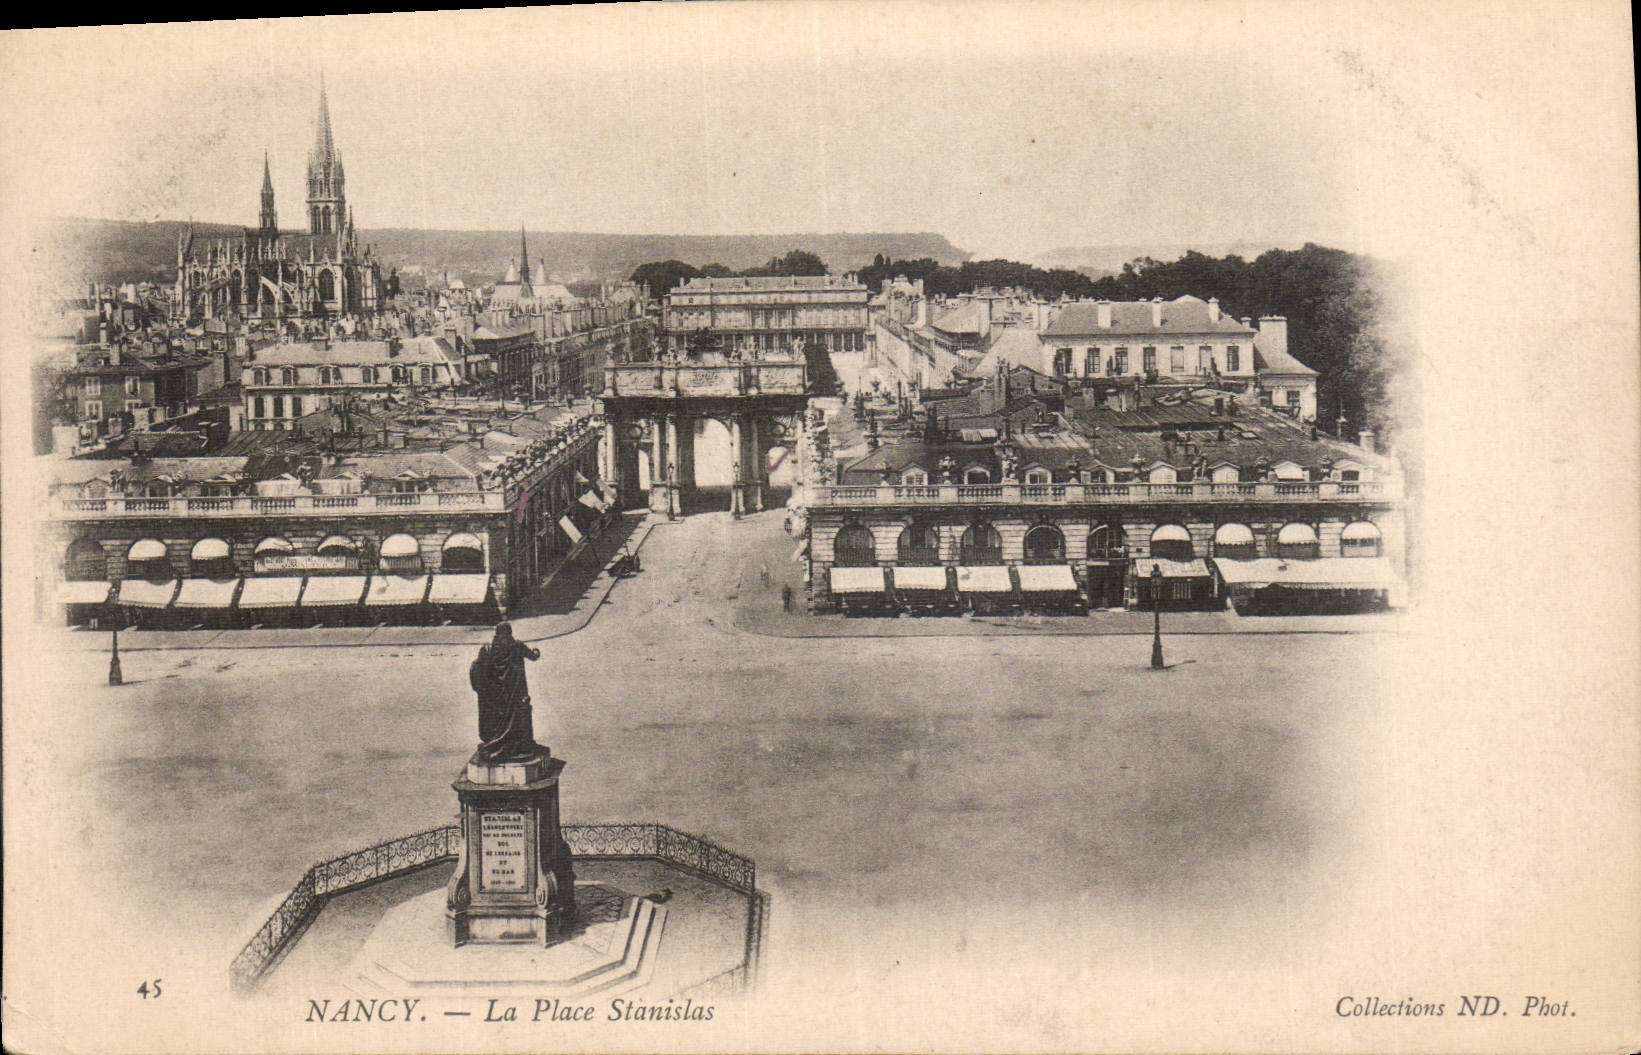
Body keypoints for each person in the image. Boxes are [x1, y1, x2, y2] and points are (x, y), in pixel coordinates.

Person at [468, 623, 544, 763]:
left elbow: (479, 670)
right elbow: (533, 656)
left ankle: (497, 743)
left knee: (498, 720)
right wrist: (537, 651)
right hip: (515, 694)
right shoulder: (517, 646)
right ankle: (515, 744)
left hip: (496, 696)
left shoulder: (487, 649)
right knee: (517, 718)